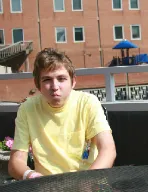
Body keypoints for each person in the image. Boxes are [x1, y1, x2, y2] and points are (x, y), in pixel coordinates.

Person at [9, 48, 116, 180]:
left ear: (73, 81)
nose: (55, 86)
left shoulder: (88, 103)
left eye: (61, 79)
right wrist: (33, 176)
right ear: (38, 85)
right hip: (46, 186)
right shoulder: (27, 109)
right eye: (47, 80)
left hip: (88, 183)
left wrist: (87, 182)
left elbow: (108, 149)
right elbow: (16, 162)